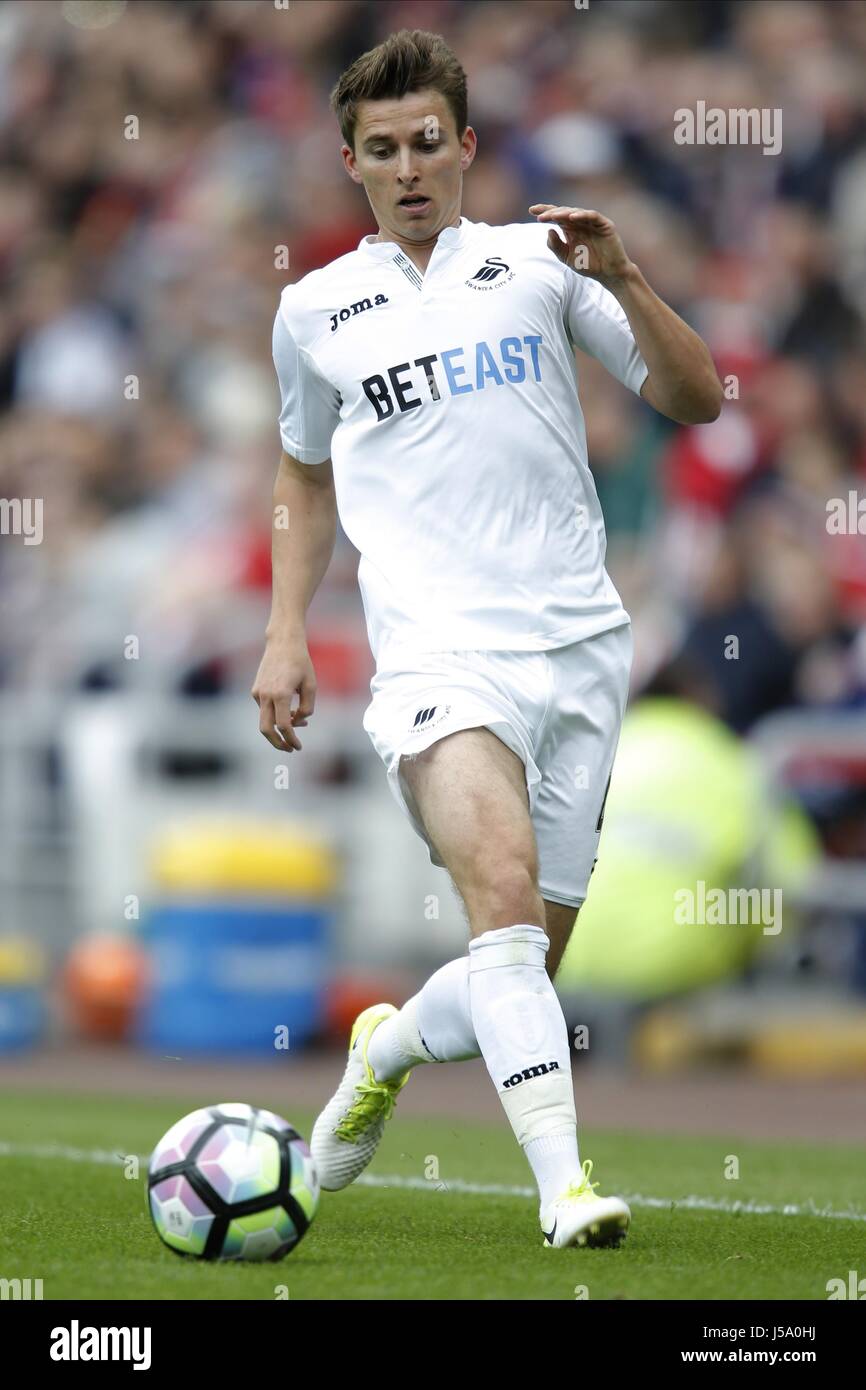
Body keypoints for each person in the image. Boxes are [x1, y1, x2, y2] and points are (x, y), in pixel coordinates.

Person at [253, 29, 722, 1250]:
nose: (407, 168)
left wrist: (623, 279)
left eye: (425, 143)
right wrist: (283, 633)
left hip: (578, 650)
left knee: (518, 962)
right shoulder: (314, 312)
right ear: (348, 163)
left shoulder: (541, 263)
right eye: (379, 150)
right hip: (436, 656)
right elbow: (300, 480)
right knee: (501, 900)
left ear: (464, 147)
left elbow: (695, 398)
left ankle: (387, 1043)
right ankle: (564, 1189)